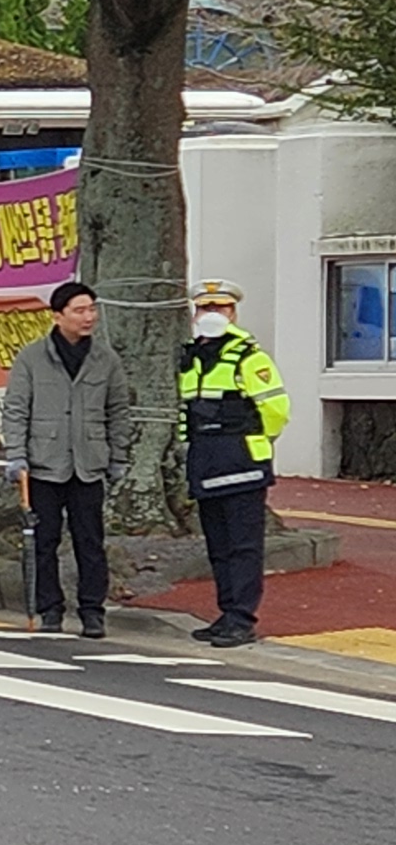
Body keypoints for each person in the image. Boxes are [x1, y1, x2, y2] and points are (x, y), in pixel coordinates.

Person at [0, 279, 131, 637]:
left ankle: (92, 611)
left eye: (92, 309)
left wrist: (118, 456)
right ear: (58, 316)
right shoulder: (31, 357)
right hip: (44, 464)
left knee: (91, 540)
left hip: (88, 465)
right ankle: (50, 609)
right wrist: (16, 455)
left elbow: (119, 410)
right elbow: (15, 409)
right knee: (44, 541)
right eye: (79, 310)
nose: (88, 317)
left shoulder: (105, 359)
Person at [178, 278, 288, 648]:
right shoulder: (191, 357)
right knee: (218, 545)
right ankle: (226, 613)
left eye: (220, 308)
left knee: (243, 546)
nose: (212, 314)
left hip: (242, 462)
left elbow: (276, 410)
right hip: (206, 462)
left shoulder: (250, 357)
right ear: (195, 313)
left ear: (233, 313)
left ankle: (242, 618)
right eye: (205, 308)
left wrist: (253, 443)